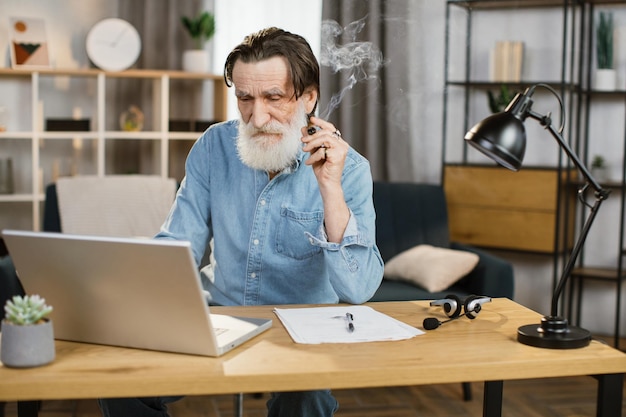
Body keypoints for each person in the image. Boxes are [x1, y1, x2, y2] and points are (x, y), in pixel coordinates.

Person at [98, 27, 384, 417]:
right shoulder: (214, 147)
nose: (257, 116)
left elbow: (359, 288)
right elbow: (178, 242)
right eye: (245, 98)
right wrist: (131, 285)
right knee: (120, 382)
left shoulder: (349, 170)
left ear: (309, 97)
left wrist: (329, 187)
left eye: (273, 98)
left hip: (301, 333)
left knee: (306, 399)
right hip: (217, 318)